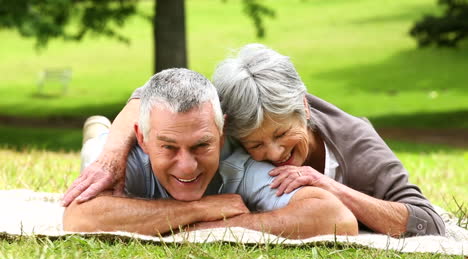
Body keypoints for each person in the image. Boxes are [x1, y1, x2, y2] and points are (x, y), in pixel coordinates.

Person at [63, 44, 444, 237]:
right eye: (255, 143)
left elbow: (428, 222)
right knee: (95, 155)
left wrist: (330, 186)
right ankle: (99, 133)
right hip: (119, 152)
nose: (274, 154)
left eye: (281, 134)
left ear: (305, 110)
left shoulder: (356, 142)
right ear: (226, 127)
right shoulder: (220, 121)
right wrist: (112, 154)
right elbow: (153, 93)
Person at [63, 68, 358, 238]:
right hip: (104, 147)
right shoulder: (125, 161)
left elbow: (337, 218)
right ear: (143, 138)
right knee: (94, 148)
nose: (188, 166)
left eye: (202, 145)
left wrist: (211, 227)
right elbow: (79, 220)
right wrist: (201, 208)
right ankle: (98, 129)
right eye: (168, 147)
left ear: (221, 133)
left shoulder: (239, 163)